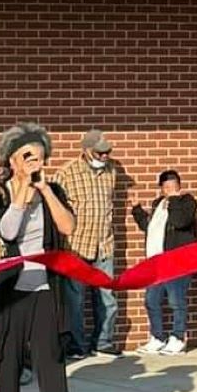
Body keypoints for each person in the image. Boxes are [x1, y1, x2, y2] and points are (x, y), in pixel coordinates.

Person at [0, 124, 81, 392]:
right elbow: (7, 231)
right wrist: (23, 191)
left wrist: (44, 190)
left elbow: (68, 227)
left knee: (51, 368)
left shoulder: (52, 189)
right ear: (12, 161)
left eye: (39, 157)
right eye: (27, 157)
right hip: (7, 293)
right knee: (6, 369)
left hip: (44, 291)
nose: (34, 162)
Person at [50, 129, 126, 357]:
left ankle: (103, 342)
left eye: (107, 152)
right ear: (86, 150)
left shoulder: (111, 171)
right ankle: (77, 345)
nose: (105, 156)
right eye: (100, 152)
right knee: (75, 300)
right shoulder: (66, 173)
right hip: (76, 246)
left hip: (103, 244)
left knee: (107, 298)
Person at [131, 170, 197, 355]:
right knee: (151, 301)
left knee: (176, 301)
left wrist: (174, 200)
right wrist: (137, 210)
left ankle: (178, 338)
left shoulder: (187, 202)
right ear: (161, 189)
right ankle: (157, 337)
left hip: (177, 262)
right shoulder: (158, 204)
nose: (170, 189)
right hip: (156, 262)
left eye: (174, 186)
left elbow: (180, 222)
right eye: (166, 187)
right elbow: (150, 228)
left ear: (179, 186)